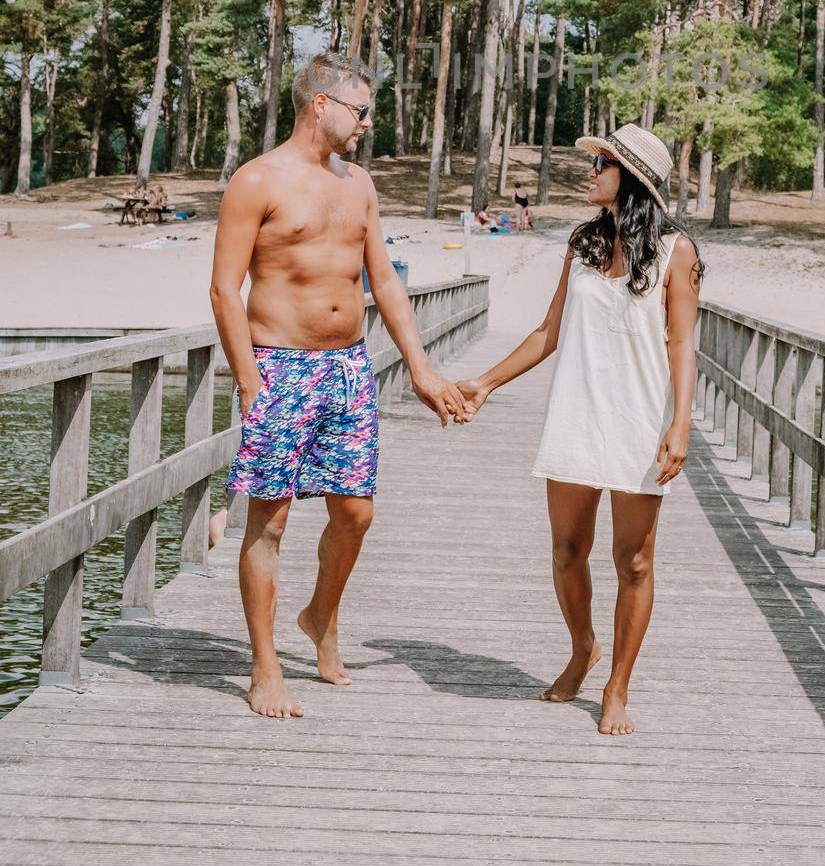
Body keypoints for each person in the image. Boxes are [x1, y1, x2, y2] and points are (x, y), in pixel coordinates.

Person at [210, 51, 472, 720]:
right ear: (319, 105)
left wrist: (419, 368)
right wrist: (250, 383)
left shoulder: (359, 183)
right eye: (361, 110)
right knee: (268, 522)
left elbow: (383, 280)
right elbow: (223, 289)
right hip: (280, 366)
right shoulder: (257, 179)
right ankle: (265, 668)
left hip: (348, 367)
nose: (367, 123)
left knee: (355, 512)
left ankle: (320, 615)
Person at [458, 123, 702, 737]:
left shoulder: (679, 252)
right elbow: (548, 333)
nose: (589, 173)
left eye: (602, 165)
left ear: (634, 179)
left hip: (640, 423)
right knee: (568, 551)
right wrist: (484, 384)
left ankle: (617, 685)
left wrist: (680, 423)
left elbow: (682, 344)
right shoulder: (585, 244)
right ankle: (582, 648)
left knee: (635, 562)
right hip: (576, 414)